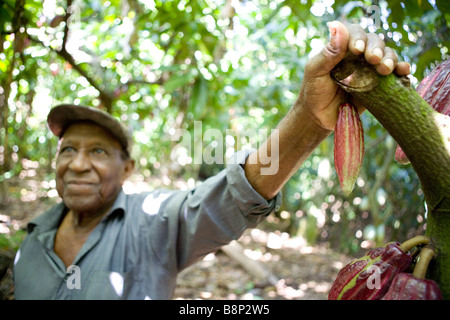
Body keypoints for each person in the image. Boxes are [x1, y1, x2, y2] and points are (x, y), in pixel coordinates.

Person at [13, 21, 410, 299]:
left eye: (97, 151)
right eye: (68, 149)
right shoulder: (29, 241)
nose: (78, 164)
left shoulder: (151, 223)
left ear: (127, 168)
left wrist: (308, 118)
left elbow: (233, 197)